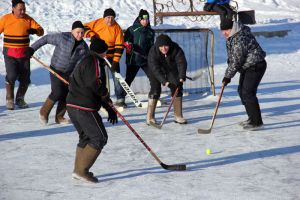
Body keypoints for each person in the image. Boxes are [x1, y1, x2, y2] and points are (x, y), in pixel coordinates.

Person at [66, 37, 118, 183]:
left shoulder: (85, 60)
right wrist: (106, 98)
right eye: (105, 52)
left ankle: (78, 171)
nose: (106, 55)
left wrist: (108, 106)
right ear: (100, 52)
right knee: (99, 137)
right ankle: (82, 171)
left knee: (86, 137)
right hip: (84, 107)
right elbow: (95, 83)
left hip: (72, 105)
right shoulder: (94, 62)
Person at [27, 21, 89, 125]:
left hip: (69, 73)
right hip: (56, 69)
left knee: (68, 94)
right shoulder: (63, 37)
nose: (80, 35)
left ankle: (59, 117)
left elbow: (81, 64)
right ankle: (43, 112)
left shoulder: (84, 47)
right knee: (57, 92)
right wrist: (32, 48)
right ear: (72, 31)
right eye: (78, 32)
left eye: (82, 33)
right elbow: (46, 38)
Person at [220, 17, 267, 131]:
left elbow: (237, 60)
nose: (224, 33)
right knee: (241, 91)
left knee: (248, 93)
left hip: (256, 65)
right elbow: (233, 58)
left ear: (233, 28)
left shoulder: (240, 38)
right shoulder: (233, 37)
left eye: (227, 30)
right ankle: (252, 118)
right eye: (222, 31)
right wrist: (229, 70)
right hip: (248, 66)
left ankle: (257, 122)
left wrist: (227, 76)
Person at [0, 0, 44, 110]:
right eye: (20, 9)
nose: (22, 11)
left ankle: (20, 99)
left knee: (25, 78)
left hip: (24, 54)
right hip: (10, 53)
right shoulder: (6, 19)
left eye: (24, 9)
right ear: (13, 8)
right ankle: (9, 99)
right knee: (12, 75)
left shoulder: (28, 19)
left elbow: (41, 30)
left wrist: (35, 31)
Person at [83, 8, 125, 107]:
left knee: (116, 77)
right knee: (100, 77)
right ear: (104, 17)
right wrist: (92, 35)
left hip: (111, 57)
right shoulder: (97, 22)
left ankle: (120, 99)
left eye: (112, 18)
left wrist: (115, 62)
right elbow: (83, 27)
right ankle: (103, 98)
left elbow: (119, 46)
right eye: (108, 17)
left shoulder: (117, 28)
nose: (110, 20)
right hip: (98, 56)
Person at [147, 34, 188, 125]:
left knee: (177, 88)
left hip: (170, 68)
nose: (164, 48)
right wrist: (165, 82)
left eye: (166, 46)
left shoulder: (176, 49)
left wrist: (181, 78)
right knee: (155, 90)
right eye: (161, 46)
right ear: (157, 46)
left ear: (169, 45)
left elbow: (182, 63)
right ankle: (150, 117)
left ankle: (178, 116)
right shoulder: (153, 52)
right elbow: (155, 70)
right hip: (155, 71)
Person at [121, 9, 155, 107]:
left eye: (147, 19)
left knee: (153, 77)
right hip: (133, 60)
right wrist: (129, 45)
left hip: (145, 60)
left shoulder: (150, 32)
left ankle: (153, 96)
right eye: (143, 19)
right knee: (129, 79)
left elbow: (151, 46)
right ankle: (121, 99)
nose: (145, 21)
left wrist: (152, 56)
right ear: (139, 19)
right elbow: (125, 42)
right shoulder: (132, 29)